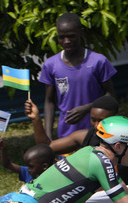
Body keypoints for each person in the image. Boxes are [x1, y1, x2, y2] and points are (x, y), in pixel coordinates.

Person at [25, 96, 128, 184]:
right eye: (93, 119)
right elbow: (46, 147)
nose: (96, 125)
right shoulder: (83, 136)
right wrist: (36, 119)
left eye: (101, 120)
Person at [40, 12, 116, 140]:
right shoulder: (51, 65)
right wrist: (48, 135)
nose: (66, 41)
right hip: (66, 133)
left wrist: (87, 108)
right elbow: (49, 101)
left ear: (81, 32)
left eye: (71, 36)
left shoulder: (98, 61)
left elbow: (111, 95)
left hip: (97, 132)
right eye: (61, 37)